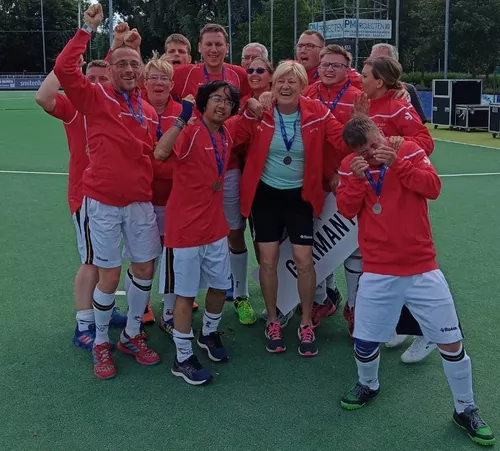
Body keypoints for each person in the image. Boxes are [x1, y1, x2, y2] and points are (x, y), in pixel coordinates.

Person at [336, 115, 495, 447]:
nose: (371, 153)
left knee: (451, 342)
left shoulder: (407, 150)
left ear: (381, 132)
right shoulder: (350, 167)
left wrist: (398, 164)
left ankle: (465, 408)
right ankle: (369, 384)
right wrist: (358, 180)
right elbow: (346, 209)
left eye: (374, 144)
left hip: (422, 267)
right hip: (378, 269)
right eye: (363, 151)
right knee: (364, 340)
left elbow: (432, 187)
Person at [54, 3, 161, 379]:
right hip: (102, 203)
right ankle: (101, 342)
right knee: (110, 276)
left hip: (140, 203)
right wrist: (87, 28)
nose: (129, 69)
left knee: (144, 268)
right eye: (121, 64)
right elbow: (65, 69)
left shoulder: (148, 111)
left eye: (135, 64)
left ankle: (131, 335)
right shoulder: (96, 98)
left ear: (141, 70)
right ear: (110, 70)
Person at [235, 60, 349, 356]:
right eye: (280, 82)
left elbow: (342, 141)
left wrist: (361, 124)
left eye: (292, 82)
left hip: (300, 196)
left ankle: (306, 322)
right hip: (265, 196)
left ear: (303, 87)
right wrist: (247, 106)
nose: (286, 87)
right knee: (268, 260)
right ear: (272, 86)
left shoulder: (318, 112)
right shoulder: (261, 111)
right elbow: (232, 136)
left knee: (304, 260)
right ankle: (273, 320)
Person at [35, 59, 127, 351]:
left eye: (103, 78)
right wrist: (65, 66)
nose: (97, 83)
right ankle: (84, 323)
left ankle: (104, 311)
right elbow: (43, 97)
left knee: (107, 259)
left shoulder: (116, 104)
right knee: (91, 260)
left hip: (113, 194)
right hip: (86, 195)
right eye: (91, 78)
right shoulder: (75, 107)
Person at [154, 81, 242, 385]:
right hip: (185, 231)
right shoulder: (190, 131)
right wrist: (182, 117)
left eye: (228, 101)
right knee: (186, 295)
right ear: (204, 103)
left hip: (215, 228)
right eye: (216, 99)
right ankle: (182, 357)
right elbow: (160, 153)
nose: (222, 105)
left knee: (219, 287)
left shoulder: (226, 133)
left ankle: (208, 333)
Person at [303, 44, 363, 330]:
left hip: (346, 181)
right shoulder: (307, 93)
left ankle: (354, 306)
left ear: (347, 69)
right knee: (315, 244)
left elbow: (365, 141)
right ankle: (320, 299)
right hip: (313, 181)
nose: (329, 69)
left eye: (336, 65)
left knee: (352, 248)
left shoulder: (358, 96)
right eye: (325, 64)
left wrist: (344, 172)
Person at [370, 43, 427, 123]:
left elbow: (418, 124)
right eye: (372, 60)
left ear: (394, 64)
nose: (374, 64)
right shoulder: (361, 87)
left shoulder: (408, 90)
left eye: (381, 60)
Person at [296, 29, 362, 89]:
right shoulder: (292, 71)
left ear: (322, 50)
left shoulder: (347, 75)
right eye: (300, 46)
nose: (302, 50)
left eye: (309, 46)